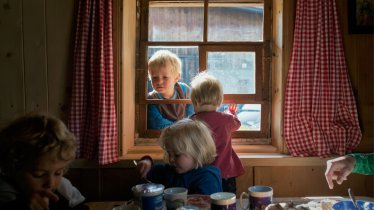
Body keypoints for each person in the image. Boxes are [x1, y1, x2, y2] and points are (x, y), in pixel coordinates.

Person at [0, 112, 87, 210]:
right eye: (39, 175)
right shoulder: (4, 194)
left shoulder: (63, 187)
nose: (50, 183)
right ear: (12, 168)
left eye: (58, 173)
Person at [189, 72, 244, 194]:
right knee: (227, 201)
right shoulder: (227, 120)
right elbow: (238, 124)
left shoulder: (192, 122)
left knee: (203, 202)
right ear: (219, 102)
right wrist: (232, 113)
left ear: (195, 102)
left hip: (202, 174)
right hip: (226, 173)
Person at [136, 118, 222, 195]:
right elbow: (150, 171)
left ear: (197, 152)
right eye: (169, 153)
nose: (171, 159)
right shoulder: (171, 171)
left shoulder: (208, 179)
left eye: (177, 155)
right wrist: (147, 162)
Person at [147, 50, 194, 129]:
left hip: (186, 134)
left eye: (165, 77)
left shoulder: (185, 90)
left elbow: (192, 115)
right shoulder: (151, 99)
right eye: (154, 77)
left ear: (176, 77)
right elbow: (156, 124)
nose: (159, 82)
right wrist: (182, 126)